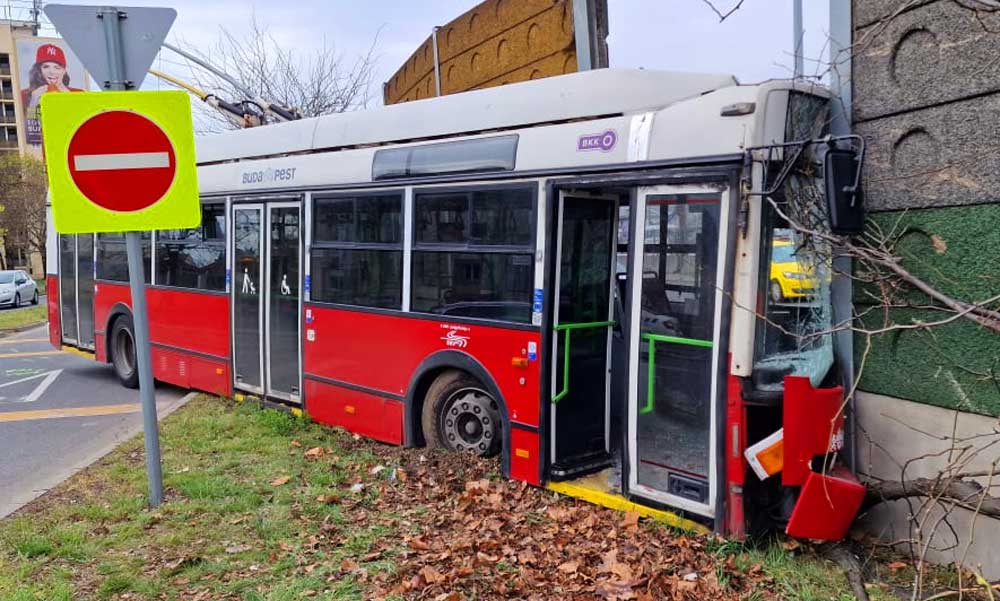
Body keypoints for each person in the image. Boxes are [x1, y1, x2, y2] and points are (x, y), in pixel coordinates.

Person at [21, 43, 82, 110]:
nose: (52, 72)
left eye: (57, 67)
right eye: (46, 67)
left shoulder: (79, 94)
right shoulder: (23, 95)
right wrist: (33, 103)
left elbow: (84, 116)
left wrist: (71, 100)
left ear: (64, 71)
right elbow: (29, 117)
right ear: (39, 69)